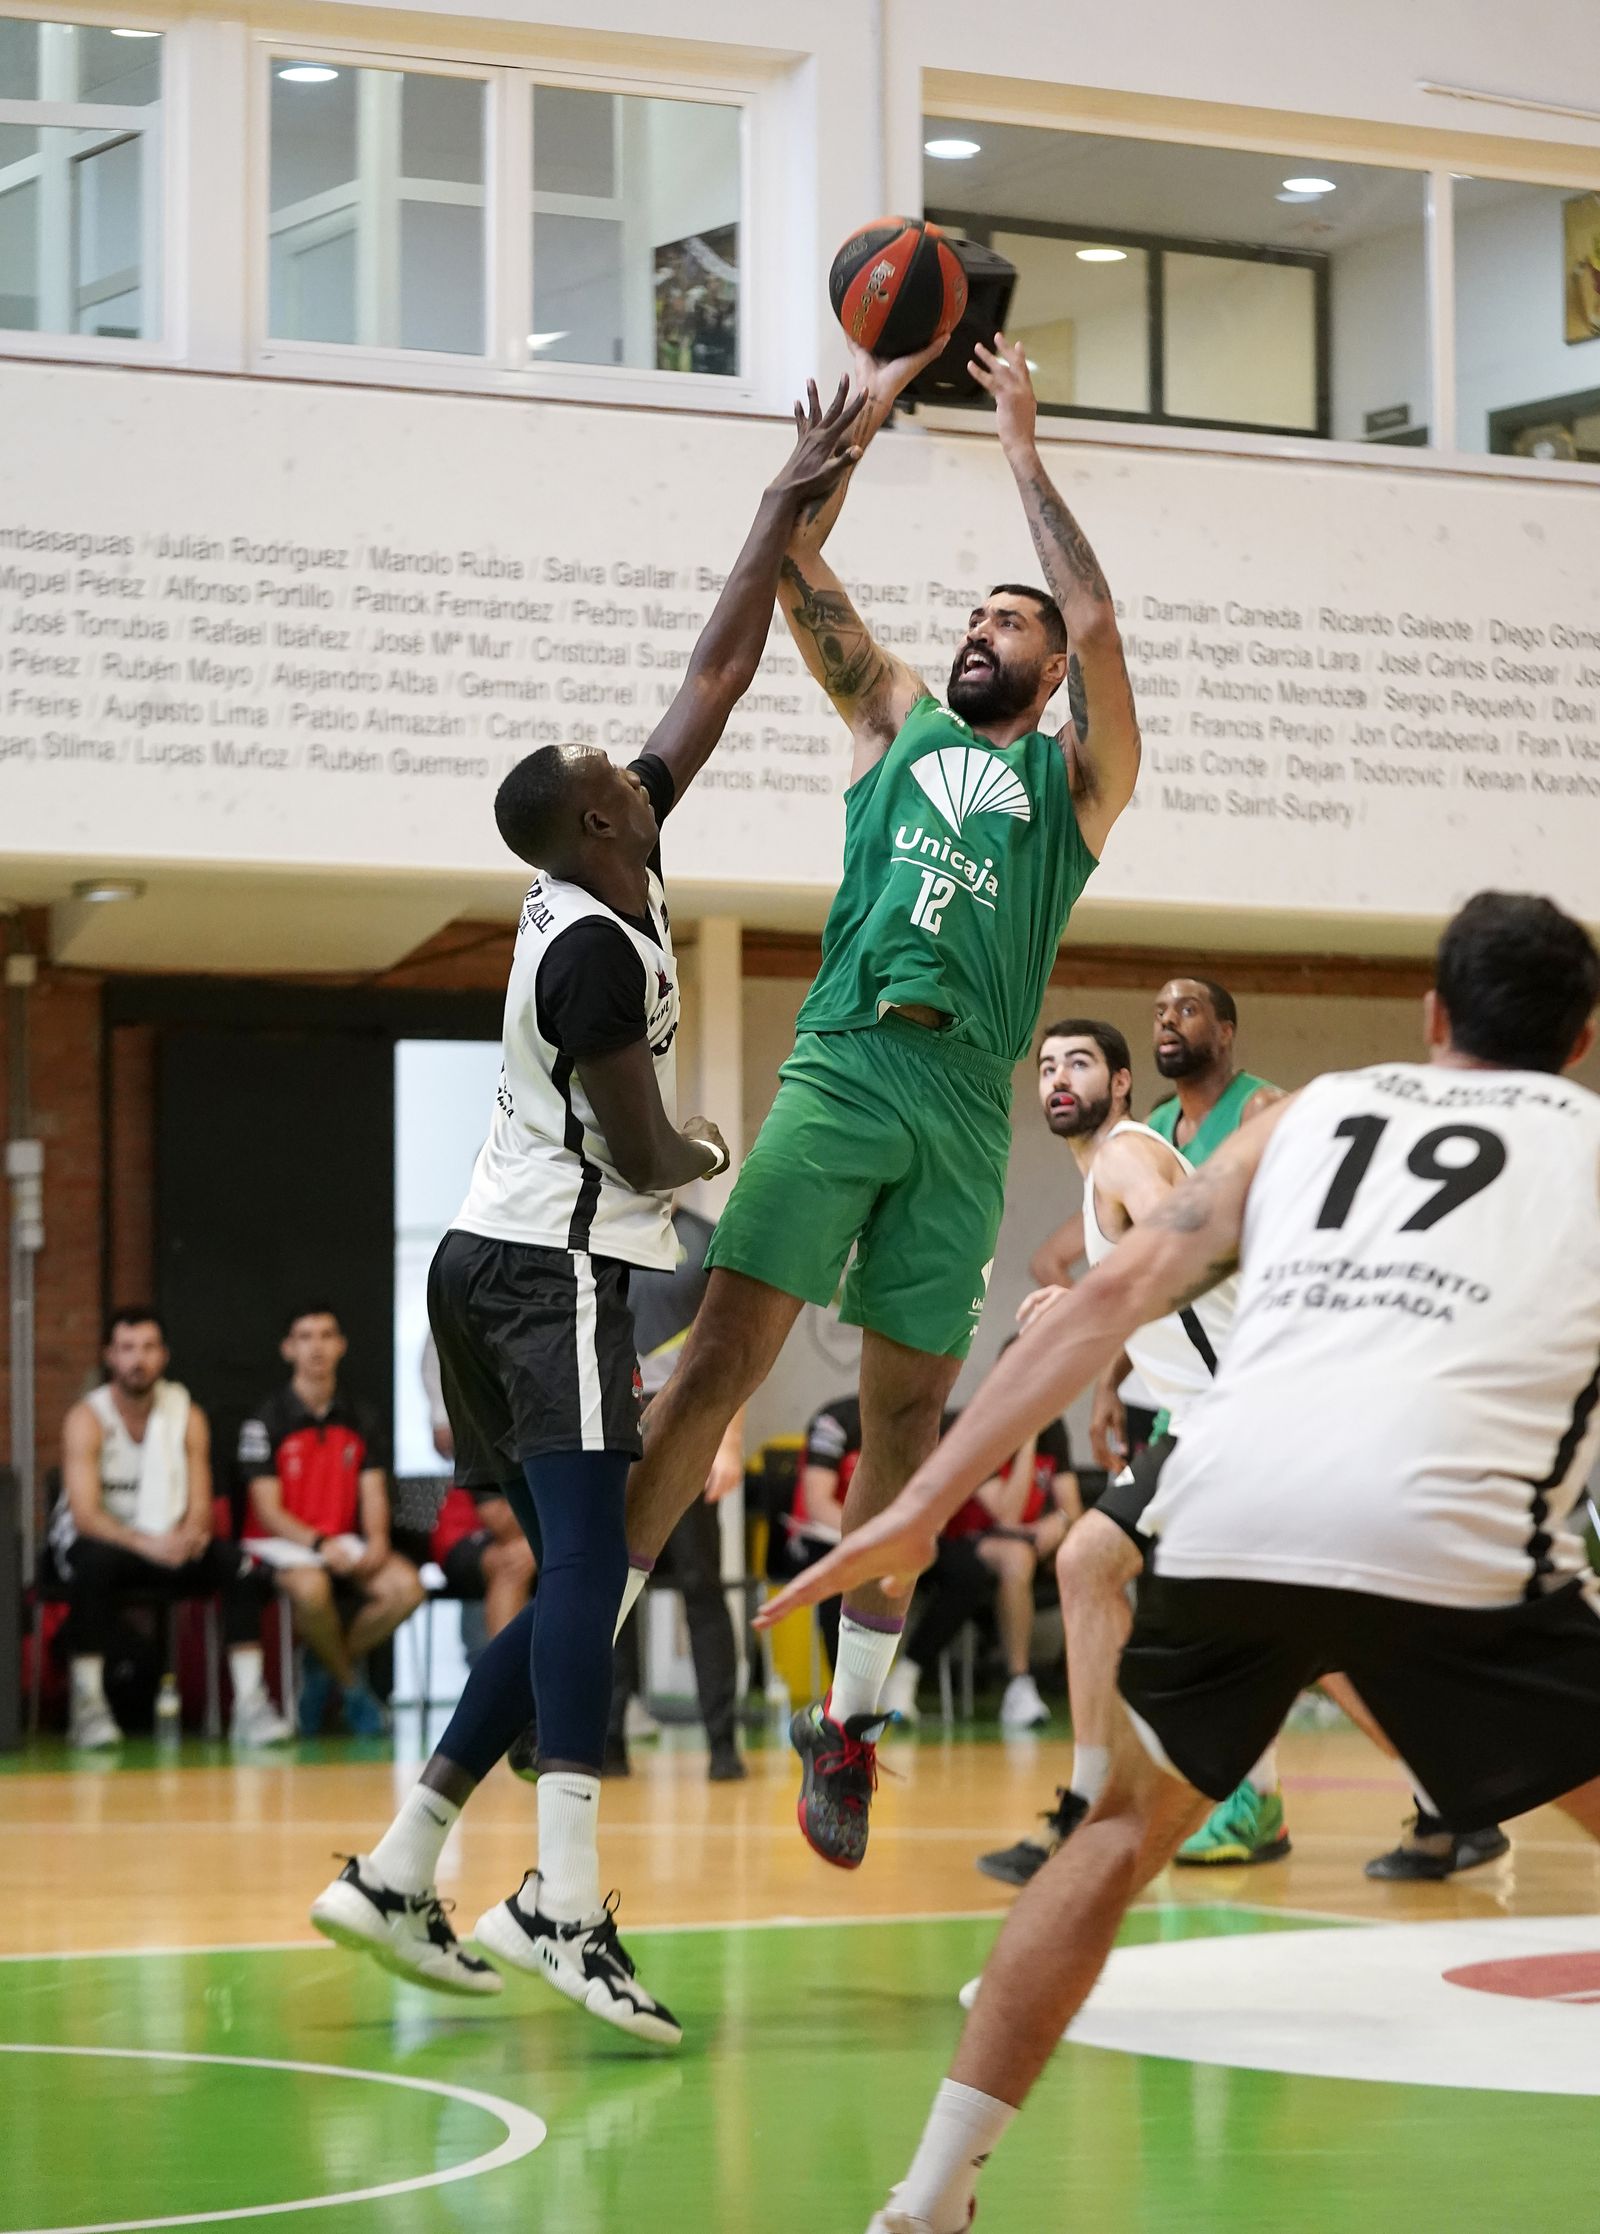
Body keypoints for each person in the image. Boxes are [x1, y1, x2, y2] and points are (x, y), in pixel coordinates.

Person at [759, 889, 1600, 2234]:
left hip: (1232, 1501)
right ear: (1584, 1038)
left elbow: (1100, 1301)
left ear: (1433, 1015)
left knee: (1114, 1836)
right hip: (1456, 1530)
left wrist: (920, 1504)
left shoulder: (1306, 1114)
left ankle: (928, 2196)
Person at [308, 381, 866, 2039]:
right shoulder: (584, 948)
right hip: (544, 1267)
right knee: (582, 1569)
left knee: (583, 1571)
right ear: (600, 819)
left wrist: (786, 502)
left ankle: (400, 1864)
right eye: (608, 769)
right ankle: (565, 1897)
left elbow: (715, 670)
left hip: (495, 1266)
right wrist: (725, 1158)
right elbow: (640, 1158)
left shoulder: (614, 855)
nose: (633, 759)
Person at [621, 331, 1141, 1870]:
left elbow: (1102, 613)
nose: (986, 629)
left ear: (1049, 672)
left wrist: (1024, 454)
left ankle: (848, 1730)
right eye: (976, 613)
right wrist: (833, 453)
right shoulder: (894, 720)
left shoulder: (1077, 788)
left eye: (1012, 623)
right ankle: (596, 1630)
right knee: (718, 1356)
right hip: (848, 1055)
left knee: (912, 1422)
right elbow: (795, 577)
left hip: (962, 1107)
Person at [978, 1016, 1264, 1883]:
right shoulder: (1102, 1174)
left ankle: (1095, 1803)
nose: (1059, 1077)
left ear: (1124, 1083)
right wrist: (1110, 1359)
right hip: (1199, 1418)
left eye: (1081, 1063)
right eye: (1048, 1066)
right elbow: (1159, 1292)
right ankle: (1091, 1798)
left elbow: (1182, 1246)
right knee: (1091, 1565)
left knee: (1093, 1565)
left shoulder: (1125, 1157)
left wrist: (1085, 1303)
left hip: (1240, 1412)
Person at [49, 1307, 286, 1749]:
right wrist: (148, 1545)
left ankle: (251, 1706)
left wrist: (192, 1535)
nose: (137, 1359)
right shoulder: (87, 1418)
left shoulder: (187, 1414)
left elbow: (200, 1503)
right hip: (108, 1541)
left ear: (164, 1355)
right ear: (110, 1357)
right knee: (91, 1566)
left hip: (168, 1541)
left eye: (147, 1348)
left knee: (237, 1565)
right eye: (127, 1348)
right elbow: (84, 1515)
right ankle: (89, 1707)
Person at [607, 1203, 748, 1782]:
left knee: (701, 1586)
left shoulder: (705, 1238)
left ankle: (723, 1743)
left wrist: (729, 1441)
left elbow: (736, 1349)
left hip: (686, 1420)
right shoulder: (596, 1226)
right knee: (610, 1587)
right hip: (612, 1424)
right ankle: (607, 1738)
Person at [240, 1306, 423, 1737]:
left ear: (340, 1346)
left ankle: (321, 1664)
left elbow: (373, 1491)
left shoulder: (362, 1417)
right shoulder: (266, 1420)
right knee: (312, 1589)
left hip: (344, 1541)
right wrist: (319, 1545)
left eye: (326, 1335)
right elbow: (268, 1510)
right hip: (282, 1545)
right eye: (305, 1336)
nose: (316, 1346)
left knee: (406, 1589)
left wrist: (376, 1540)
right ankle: (353, 1688)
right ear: (289, 1349)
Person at [885, 1386, 1076, 1730]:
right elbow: (1007, 1512)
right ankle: (1016, 1683)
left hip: (1019, 1542)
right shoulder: (977, 1426)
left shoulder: (1055, 1427)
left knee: (1061, 1552)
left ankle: (1035, 1685)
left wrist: (1058, 1523)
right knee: (1014, 1558)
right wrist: (1028, 1436)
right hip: (956, 1539)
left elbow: (1072, 1510)